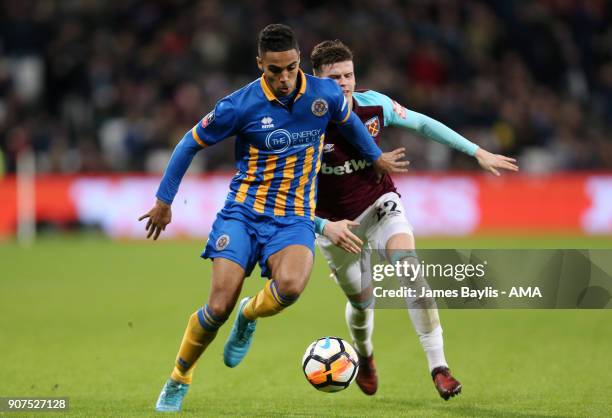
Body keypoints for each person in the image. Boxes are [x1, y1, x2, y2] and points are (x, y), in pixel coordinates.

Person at [138, 25, 408, 413]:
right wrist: (164, 201)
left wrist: (374, 155)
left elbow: (349, 122)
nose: (284, 79)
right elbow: (188, 143)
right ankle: (179, 376)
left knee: (292, 287)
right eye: (274, 71)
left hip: (295, 217)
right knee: (216, 308)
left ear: (300, 61)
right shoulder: (239, 105)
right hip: (243, 214)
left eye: (292, 69)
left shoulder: (325, 94)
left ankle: (250, 314)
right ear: (260, 65)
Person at [309, 40, 518, 400]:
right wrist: (322, 227)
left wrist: (476, 151)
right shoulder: (303, 126)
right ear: (316, 79)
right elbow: (288, 196)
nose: (343, 83)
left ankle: (440, 367)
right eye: (334, 77)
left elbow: (423, 124)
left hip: (380, 204)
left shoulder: (374, 105)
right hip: (336, 226)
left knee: (410, 270)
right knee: (362, 303)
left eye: (348, 75)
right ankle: (365, 354)